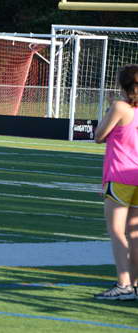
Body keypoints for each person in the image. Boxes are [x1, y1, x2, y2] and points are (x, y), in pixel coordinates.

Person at [94, 64, 138, 301]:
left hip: (120, 175)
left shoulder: (120, 107)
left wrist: (112, 107)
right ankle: (135, 282)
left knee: (117, 232)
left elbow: (99, 136)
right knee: (135, 233)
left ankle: (124, 284)